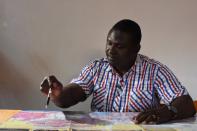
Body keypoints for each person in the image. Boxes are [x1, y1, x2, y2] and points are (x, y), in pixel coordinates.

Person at [40, 19, 196, 124]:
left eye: (119, 46)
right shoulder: (96, 68)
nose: (110, 50)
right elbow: (73, 95)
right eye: (109, 43)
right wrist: (58, 95)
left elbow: (186, 104)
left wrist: (168, 112)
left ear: (136, 49)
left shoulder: (155, 71)